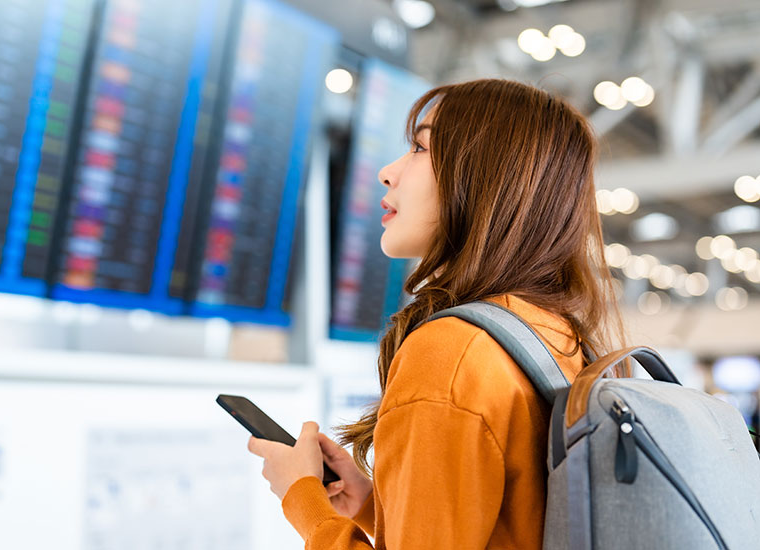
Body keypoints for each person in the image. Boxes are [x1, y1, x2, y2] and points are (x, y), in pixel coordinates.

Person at [247, 79, 626, 549]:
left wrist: (304, 500)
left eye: (420, 148)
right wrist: (371, 502)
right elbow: (518, 523)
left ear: (488, 177)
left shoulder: (452, 352)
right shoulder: (559, 336)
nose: (388, 172)